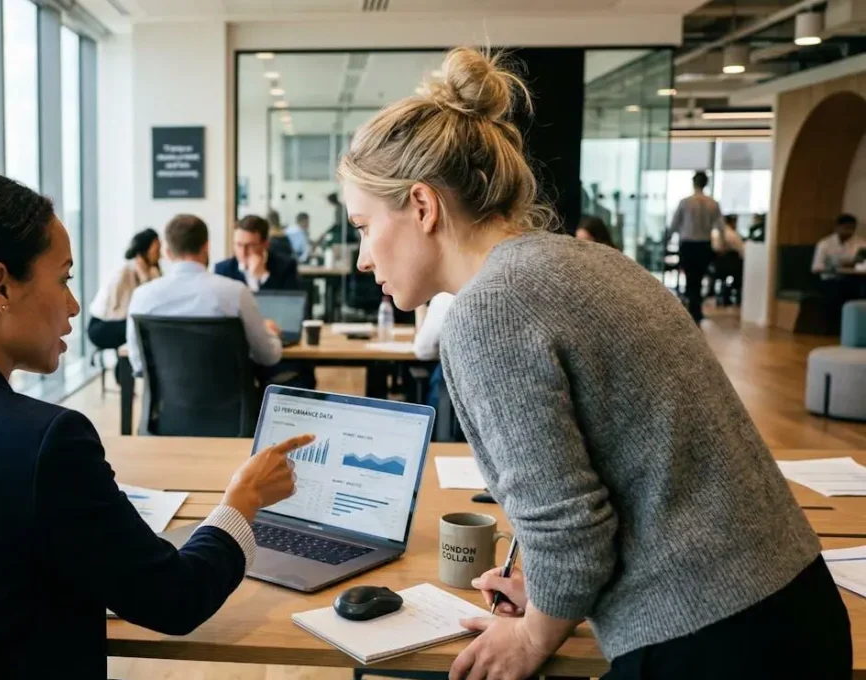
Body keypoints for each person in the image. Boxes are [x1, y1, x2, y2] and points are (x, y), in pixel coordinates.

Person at [339, 48, 848, 680]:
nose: (361, 258)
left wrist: (531, 637)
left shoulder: (488, 312)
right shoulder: (587, 261)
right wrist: (555, 603)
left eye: (362, 226)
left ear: (422, 205)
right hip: (789, 602)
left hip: (709, 640)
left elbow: (571, 534)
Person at [0, 173, 313, 679]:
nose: (74, 306)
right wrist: (241, 502)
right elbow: (175, 599)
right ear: (0, 286)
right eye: (63, 279)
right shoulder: (43, 441)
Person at [126, 214, 283, 376]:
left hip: (166, 401)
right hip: (227, 398)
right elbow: (268, 357)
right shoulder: (235, 293)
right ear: (207, 246)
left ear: (166, 251)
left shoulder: (141, 296)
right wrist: (271, 333)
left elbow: (138, 364)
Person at [87, 228, 161, 350]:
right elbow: (142, 306)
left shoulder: (152, 272)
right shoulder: (124, 273)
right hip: (102, 325)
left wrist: (147, 278)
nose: (160, 254)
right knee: (143, 328)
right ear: (145, 249)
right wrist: (144, 280)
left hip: (123, 322)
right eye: (156, 249)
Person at [670, 170, 723, 323]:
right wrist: (723, 244)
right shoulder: (712, 203)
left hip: (688, 244)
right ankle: (696, 310)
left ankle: (690, 309)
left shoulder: (685, 202)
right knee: (699, 278)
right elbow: (720, 226)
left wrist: (667, 239)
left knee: (689, 278)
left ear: (693, 183)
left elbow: (674, 224)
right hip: (704, 245)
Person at [215, 214, 302, 291]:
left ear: (265, 244)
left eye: (250, 246)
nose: (243, 252)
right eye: (239, 245)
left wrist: (264, 276)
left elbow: (289, 304)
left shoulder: (286, 267)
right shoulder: (223, 270)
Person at [812, 213, 863, 278]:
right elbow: (816, 268)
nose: (850, 231)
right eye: (846, 228)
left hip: (855, 277)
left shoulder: (861, 242)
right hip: (831, 278)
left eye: (852, 228)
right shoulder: (825, 243)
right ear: (837, 227)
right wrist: (837, 267)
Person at [711, 214, 745, 307]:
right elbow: (742, 251)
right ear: (733, 222)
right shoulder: (733, 234)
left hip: (718, 265)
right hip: (731, 266)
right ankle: (737, 296)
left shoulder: (717, 233)